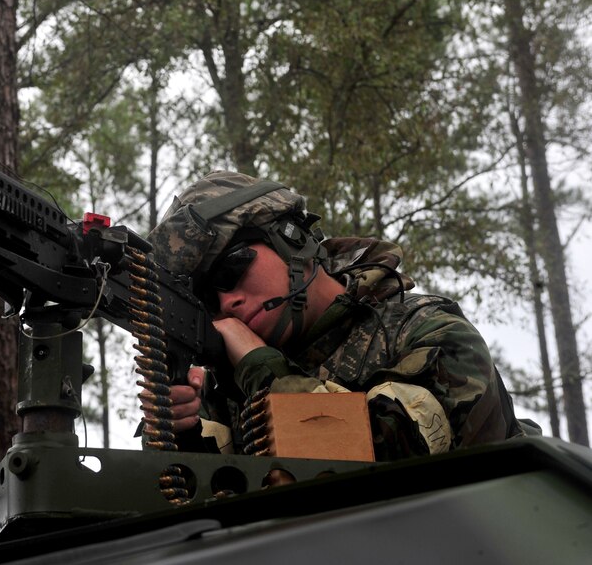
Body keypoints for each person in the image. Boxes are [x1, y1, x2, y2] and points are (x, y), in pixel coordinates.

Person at [146, 170, 530, 461]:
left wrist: (262, 370)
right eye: (209, 299)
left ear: (290, 239)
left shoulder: (428, 331)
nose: (227, 303)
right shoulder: (225, 388)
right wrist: (182, 432)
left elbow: (391, 457)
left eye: (230, 270)